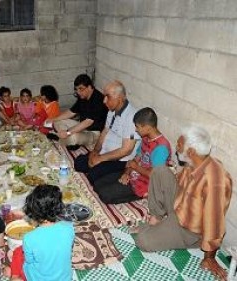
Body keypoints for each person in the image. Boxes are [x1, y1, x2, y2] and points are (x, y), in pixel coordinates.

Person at [134, 126, 232, 281]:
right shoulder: (194, 162)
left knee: (142, 240)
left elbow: (214, 221)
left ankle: (185, 239)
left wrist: (209, 257)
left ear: (191, 151)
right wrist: (161, 192)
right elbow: (178, 183)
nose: (176, 147)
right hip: (180, 206)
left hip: (189, 229)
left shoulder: (215, 180)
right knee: (160, 171)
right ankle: (156, 218)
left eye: (179, 145)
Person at [94, 107, 172, 204]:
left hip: (147, 184)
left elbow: (154, 175)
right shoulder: (145, 138)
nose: (135, 130)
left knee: (104, 195)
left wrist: (135, 167)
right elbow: (135, 159)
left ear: (147, 127)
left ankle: (142, 195)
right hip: (135, 175)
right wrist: (127, 173)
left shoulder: (161, 148)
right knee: (97, 184)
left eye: (137, 127)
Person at [74, 80, 139, 184]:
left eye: (108, 96)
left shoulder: (131, 117)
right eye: (104, 96)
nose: (104, 100)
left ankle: (120, 173)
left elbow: (126, 150)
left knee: (93, 175)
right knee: (79, 163)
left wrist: (100, 159)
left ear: (120, 98)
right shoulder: (111, 111)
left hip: (120, 159)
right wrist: (95, 152)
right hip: (105, 153)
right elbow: (104, 132)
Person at [22, 184, 75, 281]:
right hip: (65, 277)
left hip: (39, 278)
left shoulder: (29, 238)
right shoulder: (69, 226)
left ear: (33, 212)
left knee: (18, 255)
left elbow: (29, 261)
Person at [47, 74, 108, 149]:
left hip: (94, 133)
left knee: (74, 137)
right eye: (76, 89)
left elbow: (88, 122)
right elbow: (71, 112)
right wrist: (53, 119)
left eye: (81, 89)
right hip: (82, 127)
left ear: (89, 87)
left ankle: (62, 140)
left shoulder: (98, 99)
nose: (78, 92)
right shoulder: (82, 97)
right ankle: (68, 141)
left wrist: (68, 132)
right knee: (58, 122)